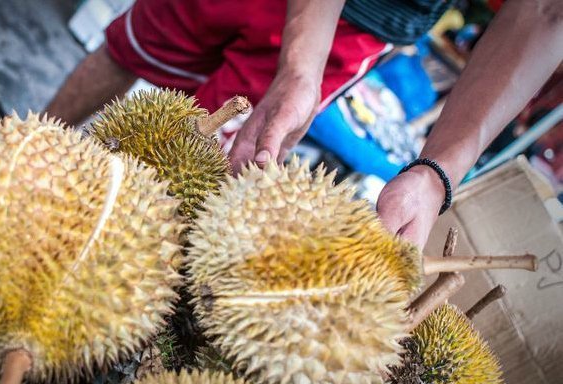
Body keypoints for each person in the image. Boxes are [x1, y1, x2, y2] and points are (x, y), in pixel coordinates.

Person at [45, 0, 563, 248]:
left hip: (361, 20)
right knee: (134, 44)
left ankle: (86, 245)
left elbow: (545, 12)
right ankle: (29, 144)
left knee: (208, 160)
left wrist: (436, 173)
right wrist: (301, 63)